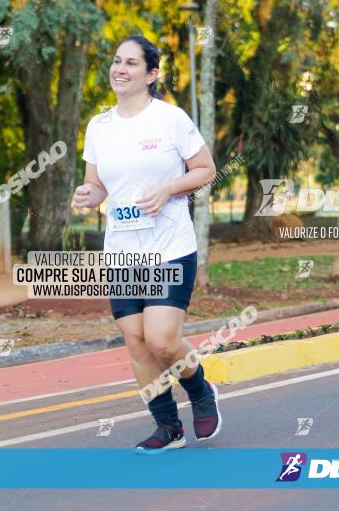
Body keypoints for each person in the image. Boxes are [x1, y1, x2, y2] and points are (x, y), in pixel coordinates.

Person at [72, 35, 221, 454]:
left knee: (160, 339)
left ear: (151, 74)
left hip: (170, 245)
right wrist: (88, 196)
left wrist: (168, 188)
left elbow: (205, 169)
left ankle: (199, 388)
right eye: (116, 61)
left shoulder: (170, 119)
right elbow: (96, 186)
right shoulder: (99, 126)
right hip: (122, 250)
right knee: (135, 341)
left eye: (131, 63)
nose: (120, 68)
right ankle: (168, 426)